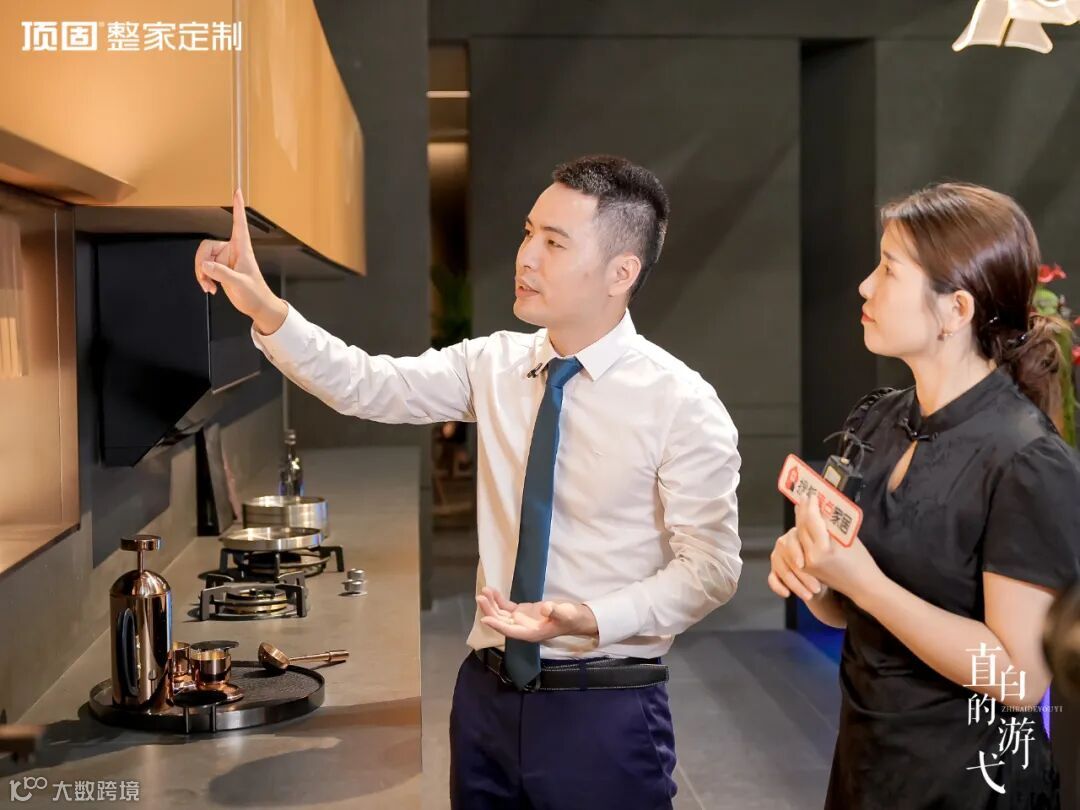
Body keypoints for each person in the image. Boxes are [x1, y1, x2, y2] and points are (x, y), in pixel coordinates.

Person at [195, 155, 742, 809]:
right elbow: (365, 383)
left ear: (620, 273)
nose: (525, 257)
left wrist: (590, 617)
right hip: (485, 697)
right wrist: (264, 308)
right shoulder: (495, 363)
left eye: (554, 243)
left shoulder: (682, 402)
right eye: (528, 233)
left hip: (604, 708)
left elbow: (711, 568)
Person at [768, 182, 1080, 809]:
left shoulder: (1026, 460)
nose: (865, 286)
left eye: (889, 269)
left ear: (956, 309)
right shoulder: (880, 419)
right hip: (868, 770)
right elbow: (851, 615)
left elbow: (1018, 678)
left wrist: (865, 585)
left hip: (970, 785)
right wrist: (818, 578)